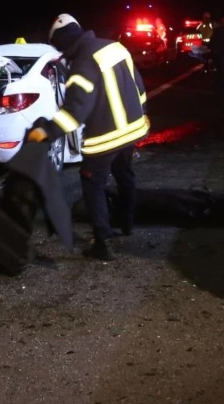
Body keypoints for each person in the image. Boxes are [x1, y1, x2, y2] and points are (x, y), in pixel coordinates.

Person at [28, 14, 148, 261]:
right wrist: (141, 114)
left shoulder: (82, 63)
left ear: (62, 42)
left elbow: (75, 113)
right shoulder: (115, 47)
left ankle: (103, 242)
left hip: (106, 138)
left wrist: (45, 133)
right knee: (125, 175)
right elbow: (139, 85)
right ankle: (126, 223)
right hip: (133, 129)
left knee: (92, 183)